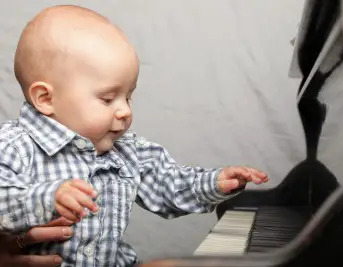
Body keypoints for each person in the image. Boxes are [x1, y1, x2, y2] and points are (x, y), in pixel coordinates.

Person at [0, 5, 268, 266]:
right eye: (108, 99)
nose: (125, 111)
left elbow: (168, 186)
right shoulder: (15, 146)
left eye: (128, 97)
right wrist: (49, 197)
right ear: (46, 98)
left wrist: (216, 183)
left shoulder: (128, 151)